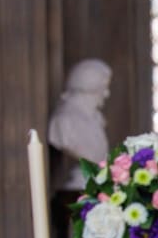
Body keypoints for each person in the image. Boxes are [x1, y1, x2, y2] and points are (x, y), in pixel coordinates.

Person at [48, 58, 112, 190]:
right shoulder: (65, 120)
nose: (106, 94)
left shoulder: (96, 119)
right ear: (88, 89)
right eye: (103, 89)